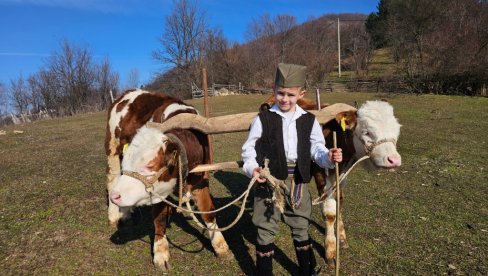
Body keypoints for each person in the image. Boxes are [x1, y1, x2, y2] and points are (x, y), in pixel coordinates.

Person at [241, 63, 343, 275]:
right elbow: (248, 149)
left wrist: (329, 157)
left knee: (300, 224)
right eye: (280, 93)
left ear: (301, 94)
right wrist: (252, 168)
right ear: (273, 90)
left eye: (290, 94)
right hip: (268, 181)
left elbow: (317, 150)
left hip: (298, 180)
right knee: (265, 227)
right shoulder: (263, 119)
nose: (284, 99)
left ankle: (307, 270)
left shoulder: (309, 120)